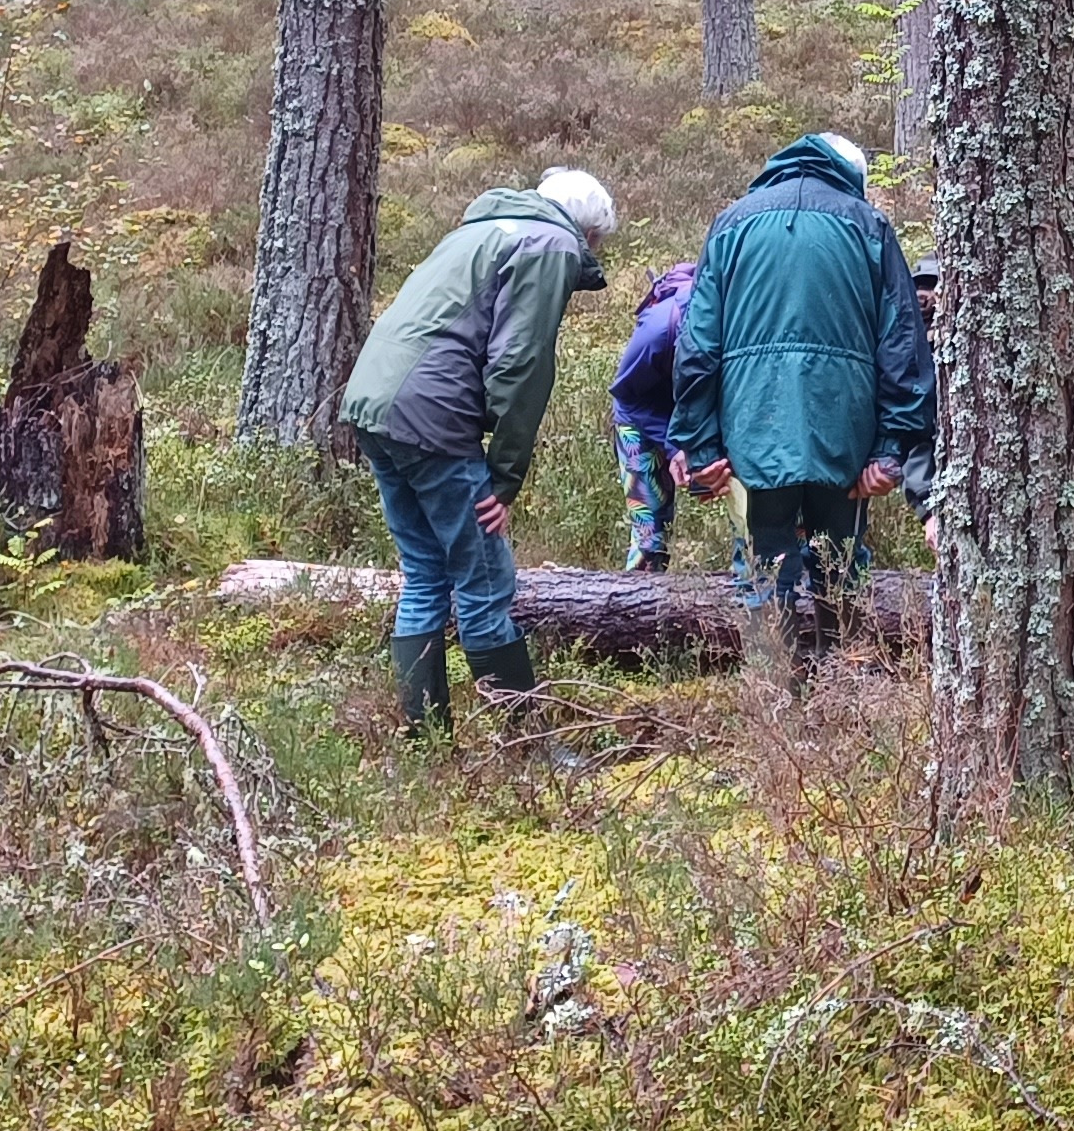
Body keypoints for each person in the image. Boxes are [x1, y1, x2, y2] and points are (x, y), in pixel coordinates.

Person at [340, 165, 622, 731]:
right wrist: (504, 478)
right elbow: (520, 363)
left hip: (373, 402)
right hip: (430, 413)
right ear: (587, 233)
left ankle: (426, 738)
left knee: (424, 572)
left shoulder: (480, 229)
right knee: (486, 578)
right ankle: (525, 741)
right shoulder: (552, 243)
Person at [672, 130, 935, 671]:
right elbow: (903, 347)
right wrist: (890, 450)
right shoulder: (869, 226)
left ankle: (779, 716)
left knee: (765, 577)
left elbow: (696, 344)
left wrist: (700, 448)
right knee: (842, 570)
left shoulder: (732, 225)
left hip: (751, 438)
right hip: (846, 439)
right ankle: (847, 709)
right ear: (851, 177)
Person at [608, 258, 700, 570]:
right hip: (644, 415)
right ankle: (638, 603)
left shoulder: (748, 326)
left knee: (768, 526)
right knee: (650, 540)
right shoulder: (660, 328)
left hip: (703, 408)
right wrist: (675, 445)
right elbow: (627, 397)